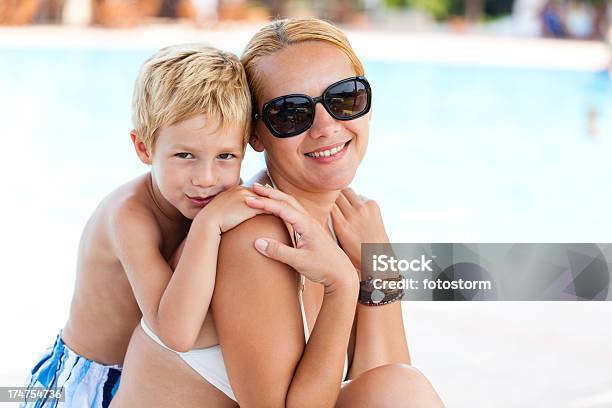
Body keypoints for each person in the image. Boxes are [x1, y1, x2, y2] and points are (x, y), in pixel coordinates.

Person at [111, 18, 444, 407]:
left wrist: (380, 268)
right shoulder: (257, 237)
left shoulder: (349, 222)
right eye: (291, 113)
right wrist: (343, 283)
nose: (326, 127)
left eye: (344, 98)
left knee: (400, 387)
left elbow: (380, 382)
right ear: (255, 134)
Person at [21, 43, 259, 408]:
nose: (206, 178)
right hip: (79, 381)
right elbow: (174, 332)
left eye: (226, 156)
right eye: (185, 156)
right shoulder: (129, 217)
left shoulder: (220, 196)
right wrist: (209, 224)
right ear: (144, 148)